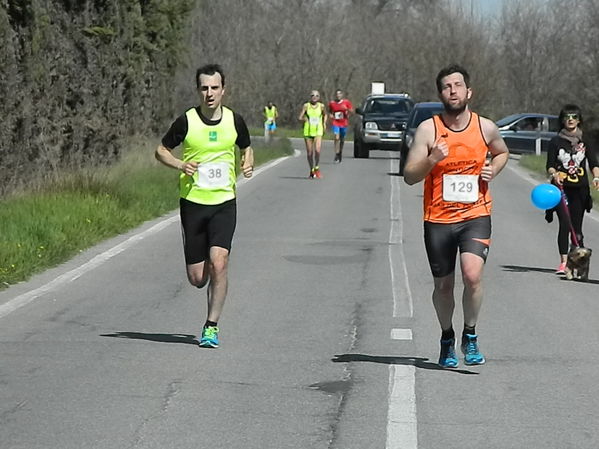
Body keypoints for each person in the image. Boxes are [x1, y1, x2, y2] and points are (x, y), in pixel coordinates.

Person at [403, 64, 509, 368]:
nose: (453, 90)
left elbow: (502, 152)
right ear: (441, 94)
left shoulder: (485, 127)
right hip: (438, 219)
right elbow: (410, 175)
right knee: (444, 287)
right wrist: (432, 159)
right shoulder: (429, 129)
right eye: (447, 86)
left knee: (473, 276)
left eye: (458, 85)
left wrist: (494, 169)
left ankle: (470, 335)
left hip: (476, 213)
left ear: (468, 91)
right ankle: (447, 336)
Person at [155, 64, 254, 348]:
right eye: (204, 88)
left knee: (219, 263)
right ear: (198, 90)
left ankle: (211, 326)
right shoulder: (187, 121)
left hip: (224, 202)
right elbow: (160, 150)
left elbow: (246, 147)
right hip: (193, 204)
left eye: (214, 88)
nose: (209, 94)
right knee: (197, 278)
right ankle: (207, 270)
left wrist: (248, 161)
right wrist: (179, 164)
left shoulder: (235, 121)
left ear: (224, 89)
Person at [545, 104, 599, 274]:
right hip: (561, 189)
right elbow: (550, 165)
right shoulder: (555, 141)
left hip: (580, 189)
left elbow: (594, 163)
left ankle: (578, 262)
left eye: (574, 117)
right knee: (565, 224)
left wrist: (596, 176)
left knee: (577, 227)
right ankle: (564, 261)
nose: (570, 120)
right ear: (562, 120)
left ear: (579, 120)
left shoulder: (586, 140)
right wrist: (554, 174)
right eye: (567, 117)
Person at [298, 90, 326, 178]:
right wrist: (304, 119)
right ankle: (311, 170)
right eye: (313, 95)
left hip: (318, 130)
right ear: (310, 97)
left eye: (317, 96)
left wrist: (324, 123)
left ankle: (317, 167)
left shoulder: (321, 106)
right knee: (310, 153)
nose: (314, 97)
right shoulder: (306, 106)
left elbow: (325, 115)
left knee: (317, 150)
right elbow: (300, 117)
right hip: (308, 130)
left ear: (319, 97)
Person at [328, 89, 353, 162]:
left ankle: (340, 152)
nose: (338, 95)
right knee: (336, 137)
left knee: (342, 139)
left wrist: (347, 110)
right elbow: (330, 112)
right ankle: (336, 153)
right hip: (336, 122)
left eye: (339, 94)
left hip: (344, 122)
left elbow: (352, 111)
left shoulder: (346, 102)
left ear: (342, 95)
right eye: (337, 94)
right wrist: (331, 116)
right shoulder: (332, 103)